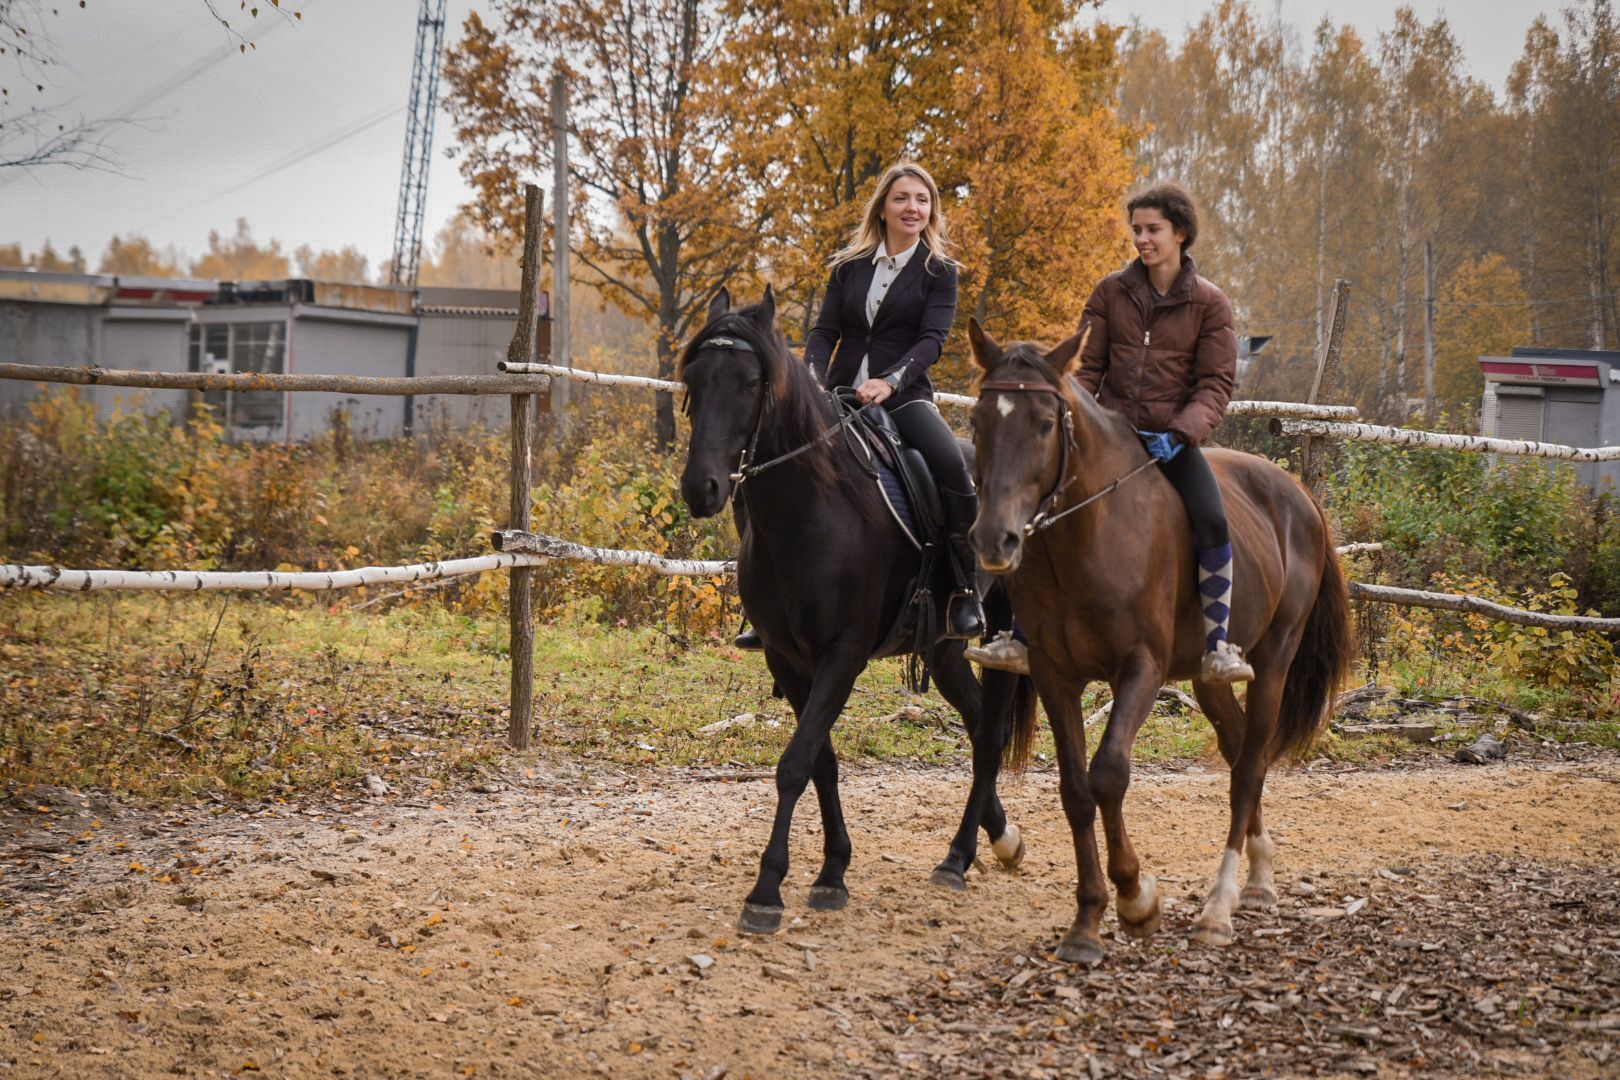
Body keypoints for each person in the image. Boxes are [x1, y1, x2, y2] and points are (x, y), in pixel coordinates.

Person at [965, 182, 1252, 684]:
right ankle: (1016, 636)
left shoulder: (1210, 304)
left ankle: (1218, 643)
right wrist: (1086, 424)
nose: (1142, 239)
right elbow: (1086, 368)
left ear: (1180, 233)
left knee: (1212, 519)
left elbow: (1214, 385)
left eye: (1153, 229)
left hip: (1172, 441)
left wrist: (1182, 433)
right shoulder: (1110, 292)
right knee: (1032, 510)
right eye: (1137, 229)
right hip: (1110, 437)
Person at [734, 161, 984, 649]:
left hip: (905, 397)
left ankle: (965, 590)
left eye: (922, 200)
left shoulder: (940, 273)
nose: (913, 207)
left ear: (931, 211)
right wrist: (814, 383)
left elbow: (933, 340)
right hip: (838, 396)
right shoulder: (848, 267)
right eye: (902, 198)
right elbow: (824, 331)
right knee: (760, 470)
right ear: (883, 208)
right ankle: (770, 607)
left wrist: (890, 382)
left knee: (951, 465)